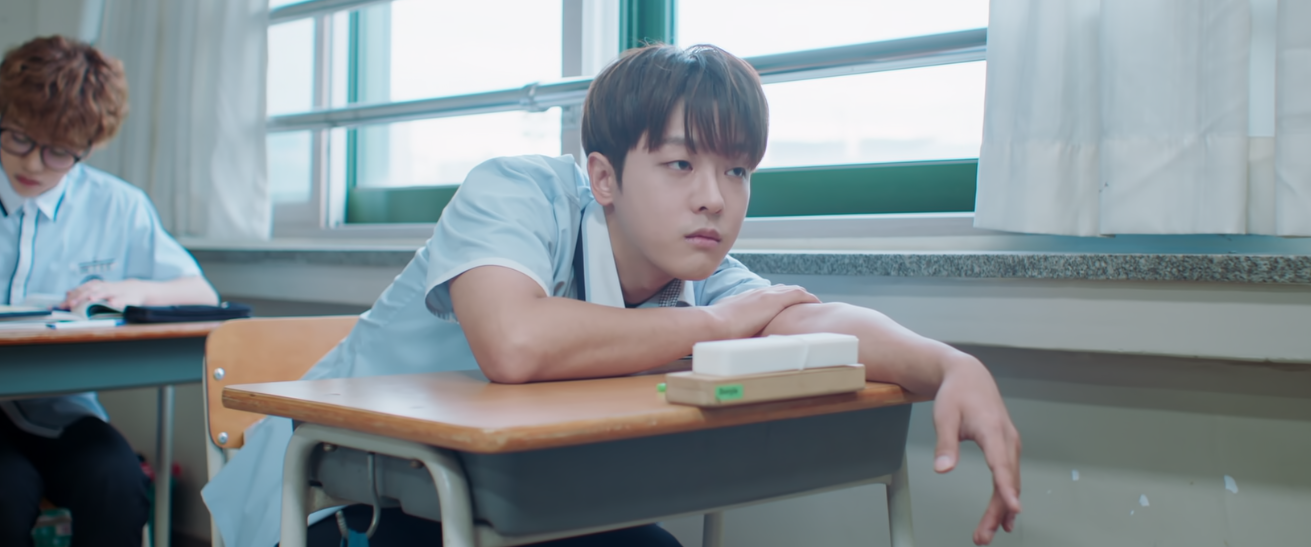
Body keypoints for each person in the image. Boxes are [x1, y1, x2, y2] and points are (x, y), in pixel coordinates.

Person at [205, 44, 1021, 547]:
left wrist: (951, 366)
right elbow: (515, 345)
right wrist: (714, 324)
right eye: (680, 164)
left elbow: (811, 316)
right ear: (603, 176)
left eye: (737, 170)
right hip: (338, 502)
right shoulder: (515, 192)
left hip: (508, 505)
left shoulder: (694, 266)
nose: (714, 198)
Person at [0, 36, 219, 547]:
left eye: (59, 151)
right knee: (7, 493)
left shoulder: (117, 206)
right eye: (18, 139)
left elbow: (201, 293)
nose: (33, 164)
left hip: (60, 411)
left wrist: (130, 289)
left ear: (89, 145)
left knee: (117, 485)